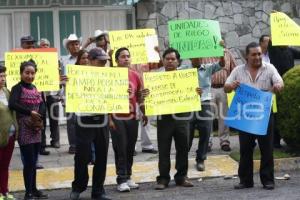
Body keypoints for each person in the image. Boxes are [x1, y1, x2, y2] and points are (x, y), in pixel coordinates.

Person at [224, 42, 284, 190]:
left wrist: (278, 86)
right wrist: (230, 86)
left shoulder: (269, 68)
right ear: (247, 56)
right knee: (245, 149)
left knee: (267, 149)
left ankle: (268, 180)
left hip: (264, 115)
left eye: (259, 54)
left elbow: (280, 82)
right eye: (254, 54)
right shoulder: (238, 70)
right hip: (245, 116)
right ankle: (245, 181)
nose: (257, 57)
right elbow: (226, 86)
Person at [142, 48, 201, 190]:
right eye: (167, 59)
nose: (170, 61)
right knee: (163, 150)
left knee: (183, 148)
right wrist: (146, 95)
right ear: (162, 60)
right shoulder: (154, 78)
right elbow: (147, 99)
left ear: (178, 61)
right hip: (164, 119)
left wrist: (197, 92)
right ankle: (163, 179)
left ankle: (182, 177)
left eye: (173, 59)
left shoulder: (186, 77)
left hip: (182, 118)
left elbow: (193, 94)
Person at [70, 48, 111, 200]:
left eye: (105, 61)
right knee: (82, 155)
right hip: (84, 120)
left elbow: (115, 96)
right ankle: (78, 186)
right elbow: (70, 96)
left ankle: (98, 191)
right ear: (91, 60)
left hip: (102, 119)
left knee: (102, 156)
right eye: (100, 61)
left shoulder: (110, 76)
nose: (103, 63)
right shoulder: (78, 76)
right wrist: (66, 83)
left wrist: (122, 92)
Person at [109, 47, 147, 192]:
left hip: (132, 117)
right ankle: (121, 179)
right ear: (117, 60)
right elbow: (105, 96)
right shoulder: (111, 75)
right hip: (117, 116)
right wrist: (109, 118)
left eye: (128, 56)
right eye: (123, 56)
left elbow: (139, 96)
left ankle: (128, 176)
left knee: (130, 148)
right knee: (121, 147)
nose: (126, 58)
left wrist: (144, 112)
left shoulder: (135, 75)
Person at [9, 60, 48, 200]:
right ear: (21, 73)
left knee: (34, 161)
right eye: (27, 73)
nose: (30, 76)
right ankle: (28, 192)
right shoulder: (17, 88)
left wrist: (40, 117)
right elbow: (12, 104)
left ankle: (34, 189)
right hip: (24, 128)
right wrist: (29, 113)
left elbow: (42, 104)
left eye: (32, 73)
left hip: (36, 128)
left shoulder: (35, 87)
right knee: (29, 162)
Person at [186, 52, 225, 171]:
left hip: (205, 103)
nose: (197, 58)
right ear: (190, 57)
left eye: (199, 56)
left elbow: (221, 64)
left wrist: (221, 50)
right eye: (195, 56)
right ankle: (183, 158)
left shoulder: (208, 68)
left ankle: (201, 159)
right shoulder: (182, 70)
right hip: (189, 105)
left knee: (206, 131)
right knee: (187, 133)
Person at [267, 38, 300, 148]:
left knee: (286, 113)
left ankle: (287, 138)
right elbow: (270, 44)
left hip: (287, 87)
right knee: (275, 114)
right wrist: (274, 36)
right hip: (275, 87)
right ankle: (275, 141)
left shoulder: (290, 51)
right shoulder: (274, 50)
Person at [37, 38, 60, 156]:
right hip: (40, 95)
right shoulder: (36, 60)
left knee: (54, 119)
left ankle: (55, 141)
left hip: (53, 94)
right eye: (42, 45)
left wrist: (60, 93)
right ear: (39, 48)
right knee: (41, 119)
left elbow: (60, 76)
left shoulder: (56, 59)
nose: (45, 47)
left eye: (47, 45)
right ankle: (43, 143)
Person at [211, 48, 237, 152]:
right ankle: (207, 142)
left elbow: (234, 69)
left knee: (224, 116)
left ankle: (224, 142)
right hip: (208, 87)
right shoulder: (203, 53)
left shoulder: (227, 53)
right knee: (207, 117)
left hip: (224, 87)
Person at [60, 33, 81, 154]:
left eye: (77, 44)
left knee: (83, 119)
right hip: (69, 94)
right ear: (68, 47)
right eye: (72, 44)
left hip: (83, 94)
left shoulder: (85, 58)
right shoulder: (64, 60)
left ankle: (83, 143)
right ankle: (73, 145)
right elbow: (60, 77)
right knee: (71, 121)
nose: (75, 46)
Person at [0, 66, 18, 200]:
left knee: (5, 166)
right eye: (0, 76)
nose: (2, 79)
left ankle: (5, 192)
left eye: (3, 76)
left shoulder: (7, 91)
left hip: (10, 136)